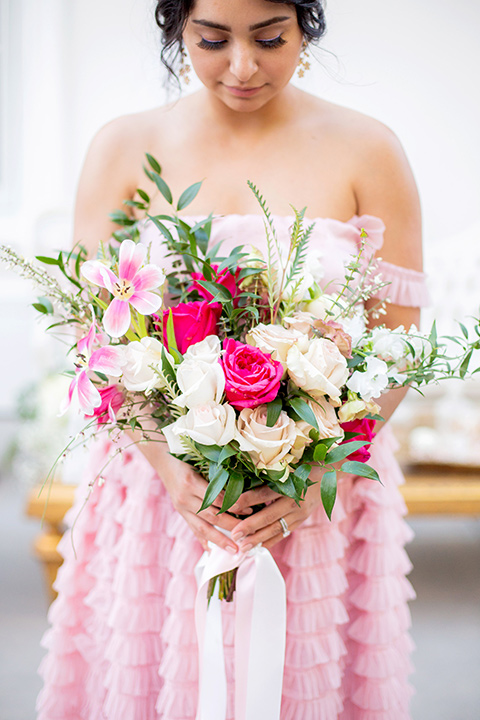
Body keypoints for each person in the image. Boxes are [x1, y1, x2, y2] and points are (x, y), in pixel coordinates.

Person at [37, 1, 430, 718]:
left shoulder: (368, 148)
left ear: (306, 29)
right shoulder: (124, 146)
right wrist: (168, 464)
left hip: (319, 486)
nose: (243, 67)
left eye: (270, 39)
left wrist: (316, 473)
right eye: (212, 40)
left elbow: (397, 340)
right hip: (161, 487)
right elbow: (90, 330)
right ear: (176, 30)